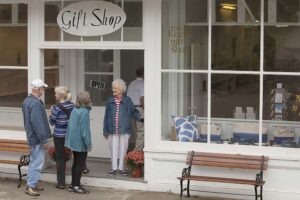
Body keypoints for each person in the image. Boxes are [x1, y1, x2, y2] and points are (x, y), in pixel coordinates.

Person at [103, 79, 141, 176]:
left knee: (123, 149)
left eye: (115, 88)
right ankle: (114, 168)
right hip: (112, 129)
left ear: (121, 89)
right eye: (113, 88)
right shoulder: (110, 100)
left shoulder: (128, 100)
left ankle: (122, 168)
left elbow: (133, 112)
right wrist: (105, 130)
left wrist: (141, 118)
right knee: (113, 148)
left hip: (124, 129)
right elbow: (106, 116)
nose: (113, 89)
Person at [22, 79, 51, 196]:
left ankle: (32, 183)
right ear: (38, 89)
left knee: (34, 161)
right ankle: (31, 185)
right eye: (42, 88)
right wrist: (44, 140)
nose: (43, 90)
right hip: (37, 138)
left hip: (32, 137)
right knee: (37, 162)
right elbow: (37, 124)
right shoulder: (35, 103)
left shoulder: (27, 101)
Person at [65, 91, 92, 194]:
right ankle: (76, 186)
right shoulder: (84, 112)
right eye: (89, 97)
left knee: (76, 163)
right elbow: (85, 131)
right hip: (81, 143)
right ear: (86, 100)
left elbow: (70, 127)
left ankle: (73, 185)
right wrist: (88, 144)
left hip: (73, 142)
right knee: (80, 165)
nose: (90, 99)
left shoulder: (75, 110)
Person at [49, 86, 75, 189]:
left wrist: (51, 113)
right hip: (69, 134)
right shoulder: (72, 106)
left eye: (56, 93)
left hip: (59, 135)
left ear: (60, 95)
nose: (54, 95)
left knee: (60, 158)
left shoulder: (56, 108)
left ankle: (61, 183)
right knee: (75, 154)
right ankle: (76, 180)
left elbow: (52, 122)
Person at [127, 66, 144, 150]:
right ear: (144, 74)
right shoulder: (142, 84)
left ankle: (137, 153)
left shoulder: (131, 83)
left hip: (131, 109)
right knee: (141, 132)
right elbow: (142, 99)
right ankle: (137, 155)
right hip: (139, 109)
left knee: (137, 132)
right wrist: (146, 111)